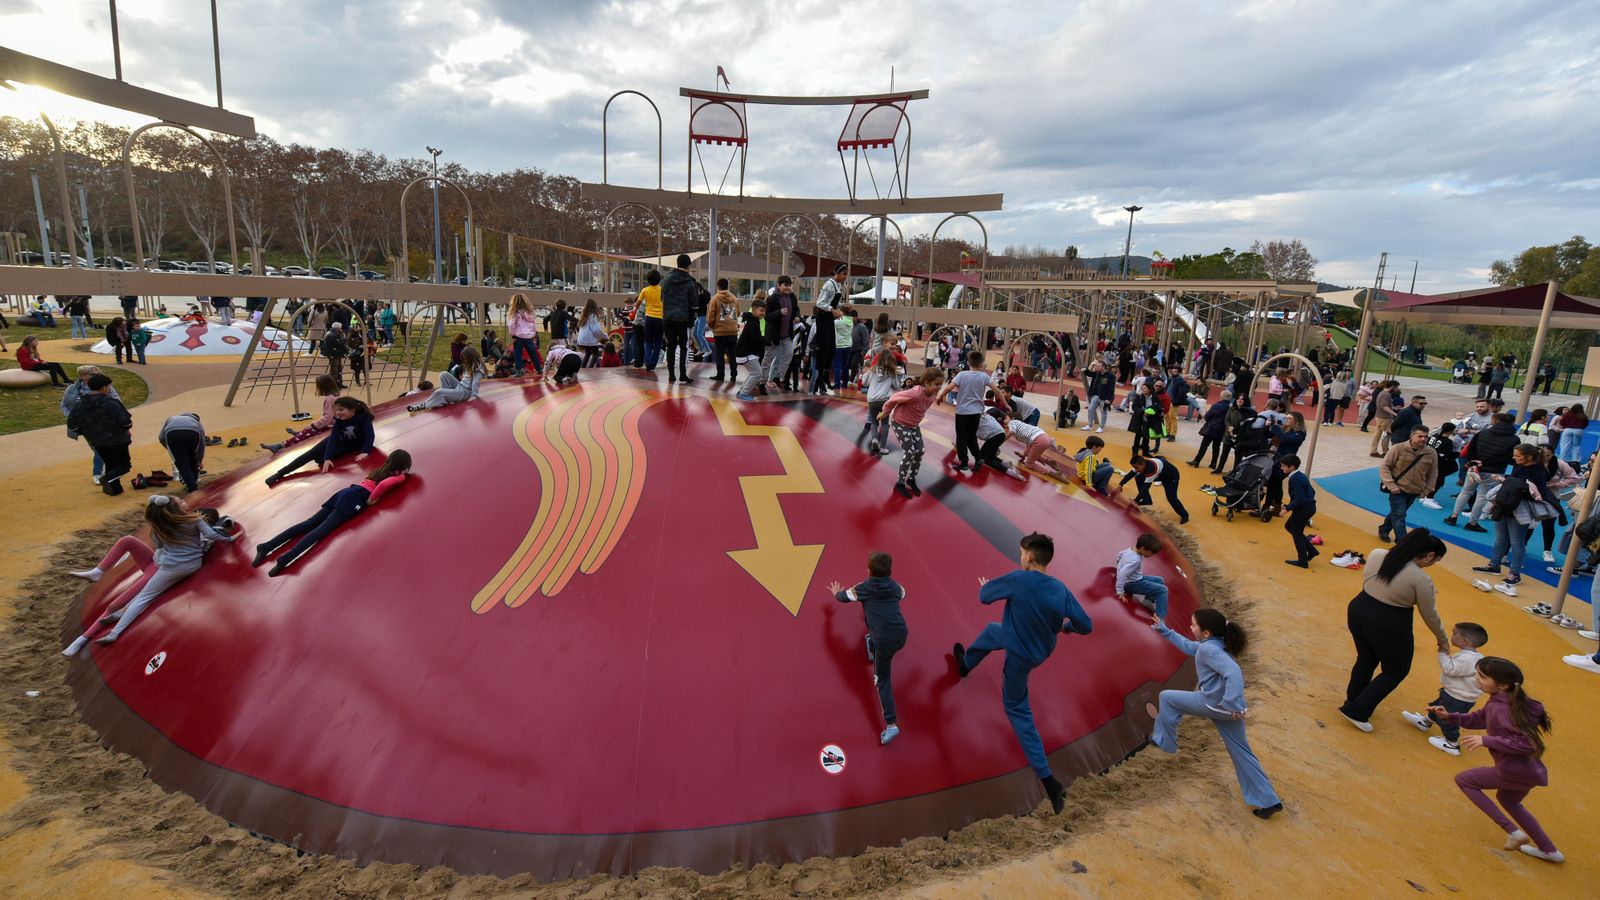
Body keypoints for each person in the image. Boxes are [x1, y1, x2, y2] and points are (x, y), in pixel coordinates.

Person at [952, 533, 1093, 815]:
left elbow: (983, 596)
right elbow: (1085, 625)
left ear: (1029, 556)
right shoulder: (1060, 588)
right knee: (993, 632)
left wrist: (990, 587)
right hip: (1039, 648)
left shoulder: (1019, 579)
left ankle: (1049, 781)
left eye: (1020, 552)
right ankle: (966, 664)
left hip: (1020, 654)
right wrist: (1066, 628)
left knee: (1017, 709)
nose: (1019, 557)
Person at [1145, 608, 1284, 819]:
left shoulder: (1210, 650)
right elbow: (1191, 647)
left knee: (1167, 697)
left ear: (1207, 632)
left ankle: (1165, 742)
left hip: (1215, 705)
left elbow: (1234, 672)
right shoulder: (1215, 645)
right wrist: (1164, 630)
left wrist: (1232, 702)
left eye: (1193, 625)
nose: (1190, 627)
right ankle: (1268, 800)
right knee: (1241, 751)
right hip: (1231, 711)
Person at [62, 494, 237, 652]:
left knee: (125, 602)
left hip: (160, 566)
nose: (185, 502)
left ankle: (89, 636)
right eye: (181, 501)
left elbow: (161, 547)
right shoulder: (194, 522)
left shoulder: (161, 526)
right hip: (167, 565)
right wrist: (228, 537)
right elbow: (213, 534)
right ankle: (98, 574)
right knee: (135, 585)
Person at [1432, 657, 1561, 863]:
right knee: (1509, 800)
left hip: (1512, 770)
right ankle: (1549, 850)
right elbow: (1479, 718)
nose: (1476, 679)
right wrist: (1451, 717)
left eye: (1482, 676)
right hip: (1530, 771)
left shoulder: (1502, 707)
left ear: (1503, 684)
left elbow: (1525, 743)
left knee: (1464, 780)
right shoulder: (1505, 700)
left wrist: (1486, 740)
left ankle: (1512, 831)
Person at [1338, 529, 1451, 732]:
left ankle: (1354, 700)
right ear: (1430, 555)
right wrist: (1443, 639)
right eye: (1435, 560)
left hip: (1359, 607)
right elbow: (1429, 614)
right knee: (1396, 670)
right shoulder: (1420, 578)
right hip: (1389, 621)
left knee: (1366, 658)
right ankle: (1357, 710)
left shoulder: (1377, 554)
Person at [254, 451, 412, 576]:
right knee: (321, 530)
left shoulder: (381, 469)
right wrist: (371, 501)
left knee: (308, 523)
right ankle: (285, 559)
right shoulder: (399, 476)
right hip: (356, 499)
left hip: (346, 492)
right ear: (405, 465)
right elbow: (383, 485)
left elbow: (379, 481)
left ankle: (266, 546)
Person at [828, 551, 909, 746]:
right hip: (901, 633)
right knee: (875, 632)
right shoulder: (896, 587)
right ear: (890, 571)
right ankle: (871, 644)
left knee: (882, 679)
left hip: (885, 641)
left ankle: (891, 724)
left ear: (868, 571)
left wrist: (835, 592)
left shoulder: (864, 588)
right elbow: (902, 594)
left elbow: (844, 597)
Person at [1470, 443, 1551, 596]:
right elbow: (1516, 483)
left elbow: (1533, 492)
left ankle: (1515, 573)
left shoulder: (1539, 472)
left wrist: (1506, 482)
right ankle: (1494, 565)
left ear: (1529, 457)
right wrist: (1506, 482)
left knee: (1517, 542)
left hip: (1520, 508)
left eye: (1518, 456)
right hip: (1506, 504)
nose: (1514, 458)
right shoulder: (1519, 466)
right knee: (1501, 538)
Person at [1400, 622, 1488, 756]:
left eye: (1454, 634)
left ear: (1464, 641)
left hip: (1457, 697)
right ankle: (1426, 722)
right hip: (1456, 693)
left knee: (1448, 718)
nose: (1451, 636)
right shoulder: (1474, 657)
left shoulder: (1467, 658)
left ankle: (1452, 743)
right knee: (1438, 706)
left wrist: (1442, 654)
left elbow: (1449, 669)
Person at [264, 396, 374, 487]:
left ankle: (320, 458)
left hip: (351, 446)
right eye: (336, 410)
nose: (338, 413)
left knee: (320, 459)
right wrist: (328, 458)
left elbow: (370, 435)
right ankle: (279, 474)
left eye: (341, 410)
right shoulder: (339, 421)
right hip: (339, 441)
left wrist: (365, 451)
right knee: (310, 454)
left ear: (352, 409)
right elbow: (333, 438)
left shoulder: (363, 418)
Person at [1446, 413, 1521, 529]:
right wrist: (1486, 463)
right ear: (1512, 423)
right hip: (1494, 470)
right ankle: (1472, 522)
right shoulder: (1514, 439)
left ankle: (1453, 516)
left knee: (1465, 491)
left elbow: (1471, 448)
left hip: (1474, 468)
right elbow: (1508, 457)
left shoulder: (1483, 432)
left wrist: (1473, 462)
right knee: (1481, 496)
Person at [879, 369, 945, 498]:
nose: (939, 387)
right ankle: (900, 483)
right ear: (926, 383)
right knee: (910, 452)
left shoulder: (931, 395)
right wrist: (885, 411)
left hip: (913, 426)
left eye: (940, 385)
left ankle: (911, 479)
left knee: (920, 450)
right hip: (900, 423)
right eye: (936, 384)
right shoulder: (914, 393)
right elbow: (893, 399)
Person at [67, 373, 133, 495]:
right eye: (108, 387)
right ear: (103, 388)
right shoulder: (112, 403)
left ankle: (115, 489)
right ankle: (106, 480)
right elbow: (126, 423)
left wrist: (86, 431)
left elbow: (72, 425)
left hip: (96, 441)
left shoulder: (80, 404)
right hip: (117, 440)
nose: (109, 389)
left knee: (110, 464)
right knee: (124, 466)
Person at [1378, 426, 1437, 543]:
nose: (1423, 439)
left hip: (1415, 490)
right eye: (1420, 436)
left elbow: (1433, 473)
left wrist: (1427, 490)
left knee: (1397, 512)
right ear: (1411, 436)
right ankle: (1403, 543)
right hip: (1398, 489)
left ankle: (1384, 529)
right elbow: (1385, 467)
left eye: (1426, 437)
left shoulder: (1431, 453)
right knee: (1400, 515)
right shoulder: (1398, 448)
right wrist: (1391, 486)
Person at [62, 365, 119, 485]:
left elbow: (117, 402)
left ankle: (100, 472)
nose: (97, 376)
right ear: (83, 376)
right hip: (86, 426)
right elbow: (64, 406)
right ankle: (102, 470)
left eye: (98, 374)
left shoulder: (106, 387)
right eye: (93, 374)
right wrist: (73, 418)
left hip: (104, 424)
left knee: (101, 447)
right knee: (98, 448)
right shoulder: (72, 389)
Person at [937, 350, 990, 472]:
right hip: (976, 412)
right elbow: (996, 391)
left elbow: (949, 387)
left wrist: (940, 396)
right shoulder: (984, 376)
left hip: (962, 412)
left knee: (961, 437)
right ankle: (978, 458)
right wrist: (1005, 404)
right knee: (972, 436)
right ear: (981, 364)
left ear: (968, 362)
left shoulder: (962, 375)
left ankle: (964, 462)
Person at [660, 254, 702, 384]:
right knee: (683, 346)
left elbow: (661, 298)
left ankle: (671, 374)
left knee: (670, 345)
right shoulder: (690, 282)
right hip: (683, 319)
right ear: (688, 266)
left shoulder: (666, 280)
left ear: (677, 264)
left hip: (668, 318)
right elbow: (695, 303)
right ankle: (683, 374)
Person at [1117, 454, 1191, 524]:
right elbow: (1131, 474)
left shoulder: (1151, 469)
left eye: (1137, 467)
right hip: (1161, 473)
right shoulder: (1140, 464)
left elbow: (1146, 487)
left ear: (1142, 464)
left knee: (1171, 498)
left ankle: (1184, 514)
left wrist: (1136, 501)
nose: (1136, 469)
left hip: (1171, 477)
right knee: (1138, 477)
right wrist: (1121, 484)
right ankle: (1147, 500)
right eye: (1134, 467)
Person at [409, 348, 485, 413]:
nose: (464, 360)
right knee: (443, 374)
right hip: (460, 386)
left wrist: (473, 396)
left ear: (470, 357)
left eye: (465, 358)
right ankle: (445, 398)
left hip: (464, 393)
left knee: (439, 392)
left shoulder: (477, 369)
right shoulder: (470, 365)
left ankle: (422, 406)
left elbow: (475, 383)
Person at [1115, 533, 1170, 621]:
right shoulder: (1136, 560)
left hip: (1135, 578)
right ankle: (1160, 618)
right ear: (1143, 548)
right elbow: (1123, 572)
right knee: (1163, 590)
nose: (1152, 555)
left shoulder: (1130, 549)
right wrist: (1120, 591)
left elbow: (1119, 555)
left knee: (1159, 580)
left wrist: (1118, 567)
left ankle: (1148, 600)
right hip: (1131, 584)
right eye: (1151, 553)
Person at [763, 276, 800, 391]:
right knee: (768, 358)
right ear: (779, 285)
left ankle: (777, 377)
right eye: (785, 285)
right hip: (774, 335)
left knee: (789, 354)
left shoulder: (792, 297)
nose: (788, 287)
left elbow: (796, 309)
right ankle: (762, 381)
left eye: (789, 285)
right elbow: (767, 316)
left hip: (787, 334)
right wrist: (779, 312)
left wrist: (797, 316)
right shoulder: (771, 299)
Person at [1280, 454, 1317, 568]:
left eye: (1284, 466)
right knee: (1290, 526)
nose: (1282, 468)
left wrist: (1287, 508)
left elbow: (1300, 499)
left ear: (1291, 467)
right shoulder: (1301, 475)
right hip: (1309, 507)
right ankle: (1311, 551)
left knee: (1297, 533)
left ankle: (1303, 561)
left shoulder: (1295, 479)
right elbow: (1312, 491)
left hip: (1304, 508)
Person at [859, 347, 898, 454]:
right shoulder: (891, 372)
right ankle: (883, 447)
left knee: (873, 421)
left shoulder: (873, 370)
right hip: (885, 400)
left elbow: (864, 383)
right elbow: (897, 386)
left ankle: (875, 439)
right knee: (885, 423)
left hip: (872, 400)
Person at [157, 412, 208, 492]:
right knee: (192, 458)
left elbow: (161, 437)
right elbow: (202, 444)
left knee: (182, 463)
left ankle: (192, 487)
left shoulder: (171, 418)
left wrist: (170, 448)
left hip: (173, 433)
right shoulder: (197, 422)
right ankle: (194, 481)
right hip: (192, 433)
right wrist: (199, 461)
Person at [706, 278, 741, 381]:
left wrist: (713, 326)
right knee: (732, 353)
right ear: (727, 286)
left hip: (720, 331)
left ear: (718, 286)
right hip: (733, 330)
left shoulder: (715, 299)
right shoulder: (734, 298)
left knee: (720, 354)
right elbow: (738, 313)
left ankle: (720, 375)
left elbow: (710, 317)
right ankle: (734, 374)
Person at [734, 298, 769, 401]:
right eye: (761, 310)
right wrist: (766, 341)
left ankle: (742, 391)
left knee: (755, 373)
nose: (763, 313)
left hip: (745, 352)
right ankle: (743, 393)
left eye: (764, 311)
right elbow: (756, 338)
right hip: (745, 353)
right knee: (757, 373)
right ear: (753, 310)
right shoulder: (753, 323)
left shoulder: (753, 320)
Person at [1189, 390, 1232, 469]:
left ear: (1222, 396)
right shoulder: (1230, 407)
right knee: (1216, 447)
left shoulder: (1216, 405)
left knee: (1204, 445)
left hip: (1212, 428)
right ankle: (1213, 463)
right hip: (1222, 429)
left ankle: (1197, 460)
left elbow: (1208, 417)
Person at [507, 292, 544, 377]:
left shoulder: (515, 313)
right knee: (533, 353)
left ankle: (519, 370)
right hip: (529, 336)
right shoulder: (530, 312)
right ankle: (539, 368)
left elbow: (511, 324)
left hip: (518, 336)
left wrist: (513, 334)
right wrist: (533, 333)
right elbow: (533, 324)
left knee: (518, 353)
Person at [1081, 360, 1115, 434]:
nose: (1096, 367)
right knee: (1090, 409)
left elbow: (1111, 389)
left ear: (1103, 367)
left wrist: (1108, 399)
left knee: (1103, 413)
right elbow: (1090, 374)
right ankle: (1090, 425)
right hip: (1096, 396)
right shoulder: (1097, 373)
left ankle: (1101, 427)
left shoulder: (1111, 376)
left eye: (1098, 366)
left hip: (1104, 398)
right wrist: (1085, 370)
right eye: (1096, 366)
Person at [575, 299, 607, 368]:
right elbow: (596, 330)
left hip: (582, 339)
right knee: (596, 353)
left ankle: (582, 368)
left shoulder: (584, 316)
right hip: (589, 339)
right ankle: (590, 369)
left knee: (588, 354)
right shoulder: (593, 316)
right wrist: (605, 336)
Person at [322, 321, 348, 388]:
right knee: (334, 370)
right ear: (337, 328)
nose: (341, 330)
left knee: (339, 369)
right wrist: (343, 340)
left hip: (337, 354)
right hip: (333, 355)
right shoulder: (331, 335)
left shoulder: (335, 334)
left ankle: (339, 384)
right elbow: (337, 344)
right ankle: (333, 386)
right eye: (339, 329)